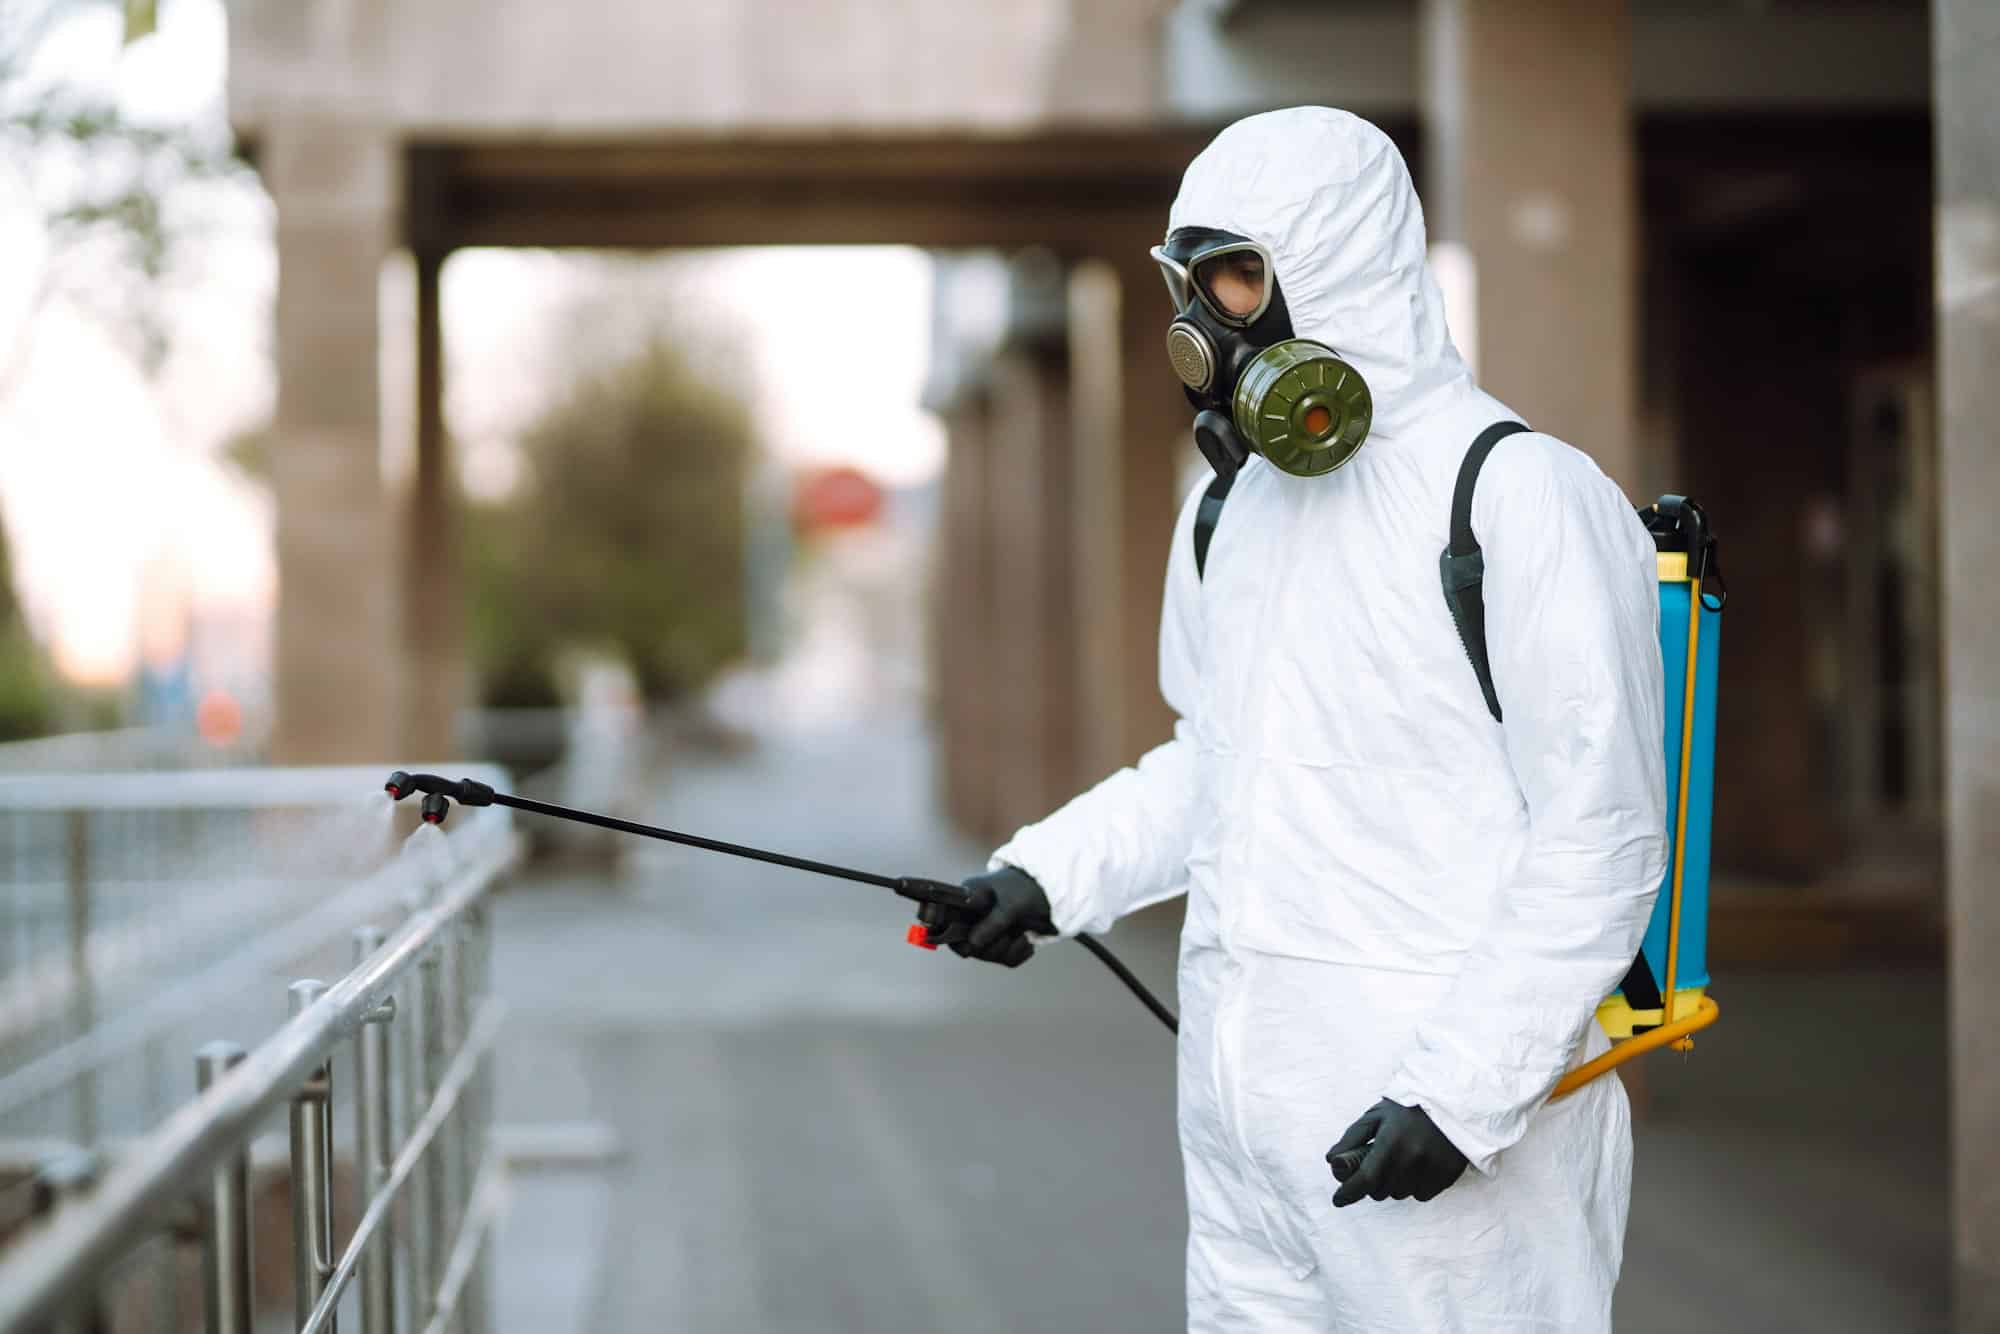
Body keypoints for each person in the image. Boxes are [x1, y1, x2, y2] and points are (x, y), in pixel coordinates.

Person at [926, 107, 1667, 1331]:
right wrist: (1042, 876)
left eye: (1233, 275)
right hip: (1242, 1128)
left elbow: (1602, 834)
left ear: (1340, 264)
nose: (1205, 326)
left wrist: (1456, 1093)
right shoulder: (1230, 511)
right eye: (1189, 283)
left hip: (1444, 1146)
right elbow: (1211, 765)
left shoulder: (1516, 492)